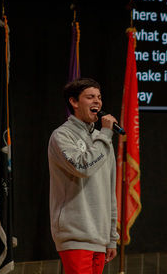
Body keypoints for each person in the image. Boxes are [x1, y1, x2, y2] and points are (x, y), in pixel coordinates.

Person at [48, 77, 119, 274]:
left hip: (100, 237)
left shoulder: (102, 139)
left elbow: (109, 190)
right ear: (74, 102)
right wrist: (105, 133)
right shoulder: (61, 136)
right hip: (75, 236)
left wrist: (112, 237)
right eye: (90, 97)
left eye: (99, 97)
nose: (97, 101)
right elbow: (82, 167)